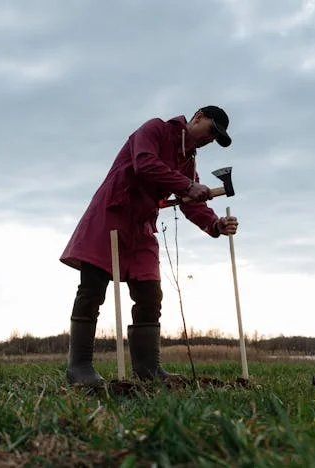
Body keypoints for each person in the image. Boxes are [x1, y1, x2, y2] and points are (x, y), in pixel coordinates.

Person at [59, 105, 239, 387]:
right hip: (112, 215)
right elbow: (145, 164)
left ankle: (148, 370)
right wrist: (186, 185)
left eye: (216, 139)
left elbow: (193, 205)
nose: (210, 139)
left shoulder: (188, 161)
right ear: (198, 117)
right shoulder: (156, 129)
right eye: (211, 131)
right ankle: (79, 367)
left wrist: (215, 224)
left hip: (142, 227)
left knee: (150, 295)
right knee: (92, 289)